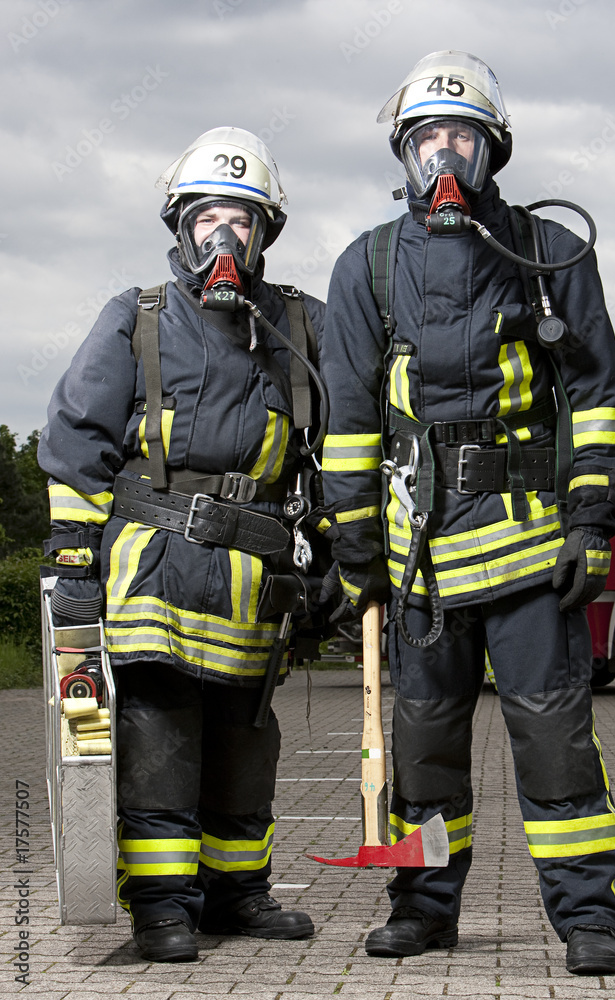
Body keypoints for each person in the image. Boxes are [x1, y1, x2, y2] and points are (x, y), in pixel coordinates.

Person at [320, 52, 615, 975]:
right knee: (423, 750)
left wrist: (591, 522)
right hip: (420, 558)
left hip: (532, 549)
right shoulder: (367, 266)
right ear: (404, 153)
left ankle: (587, 919)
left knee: (554, 740)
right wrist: (354, 545)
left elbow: (595, 398)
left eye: (461, 137)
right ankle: (422, 909)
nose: (443, 155)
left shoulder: (548, 253)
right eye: (427, 139)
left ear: (492, 150)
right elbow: (349, 417)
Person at [38, 127, 325, 962]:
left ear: (264, 232)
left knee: (245, 739)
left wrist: (341, 557)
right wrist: (72, 563)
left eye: (240, 219)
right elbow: (77, 444)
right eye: (206, 219)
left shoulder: (299, 324)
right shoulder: (137, 318)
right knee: (158, 738)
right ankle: (162, 907)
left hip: (253, 578)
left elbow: (337, 446)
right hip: (152, 567)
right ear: (180, 227)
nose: (222, 236)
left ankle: (238, 895)